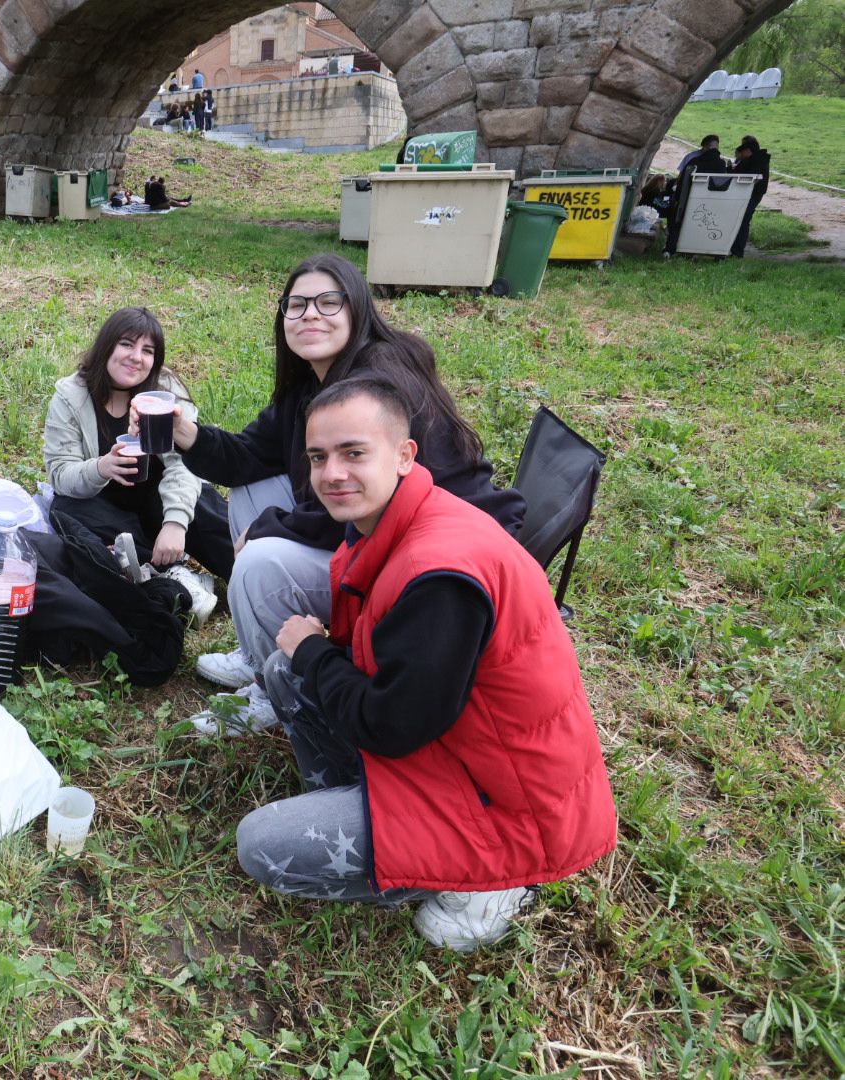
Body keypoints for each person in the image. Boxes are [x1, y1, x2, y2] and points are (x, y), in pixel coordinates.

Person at [235, 376, 616, 951]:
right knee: (287, 671)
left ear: (405, 456)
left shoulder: (440, 574)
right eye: (318, 457)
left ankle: (496, 883)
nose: (332, 472)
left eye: (354, 453)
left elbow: (390, 726)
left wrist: (315, 649)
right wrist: (311, 656)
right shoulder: (397, 523)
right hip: (450, 752)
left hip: (508, 811)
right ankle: (366, 807)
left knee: (259, 843)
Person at [166, 253, 523, 733]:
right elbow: (248, 456)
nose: (310, 313)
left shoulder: (376, 385)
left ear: (357, 309)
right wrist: (185, 434)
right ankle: (259, 652)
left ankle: (278, 690)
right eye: (297, 305)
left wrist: (268, 527)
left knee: (257, 560)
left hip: (419, 561)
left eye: (327, 302)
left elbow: (369, 503)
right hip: (376, 535)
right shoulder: (312, 383)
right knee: (252, 489)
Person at [42, 306, 229, 623]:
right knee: (65, 509)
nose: (136, 357)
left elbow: (185, 465)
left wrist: (175, 523)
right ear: (107, 346)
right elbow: (60, 473)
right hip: (106, 508)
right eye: (126, 344)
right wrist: (102, 466)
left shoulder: (164, 391)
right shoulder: (71, 394)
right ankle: (169, 573)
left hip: (159, 499)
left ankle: (262, 576)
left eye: (148, 350)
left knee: (202, 504)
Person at [729, 135, 771, 258]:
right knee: (743, 220)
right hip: (752, 193)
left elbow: (746, 175)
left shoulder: (756, 160)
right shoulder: (757, 159)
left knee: (743, 220)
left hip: (752, 194)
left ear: (748, 150)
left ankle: (737, 251)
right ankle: (736, 249)